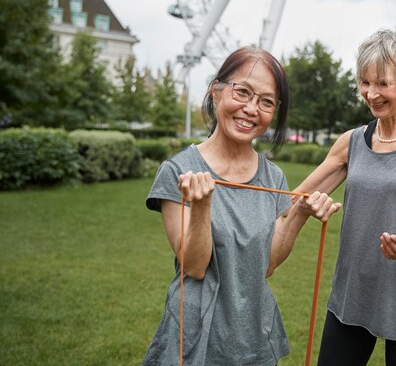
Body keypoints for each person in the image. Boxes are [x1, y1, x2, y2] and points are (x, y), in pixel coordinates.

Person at [141, 47, 341, 366]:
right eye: (243, 92)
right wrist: (202, 206)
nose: (251, 109)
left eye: (266, 101)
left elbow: (266, 265)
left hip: (252, 333)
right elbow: (194, 266)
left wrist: (301, 212)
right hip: (196, 335)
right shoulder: (179, 171)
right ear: (216, 91)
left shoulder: (272, 176)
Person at [294, 29, 396, 366]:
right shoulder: (351, 142)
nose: (371, 94)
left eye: (383, 83)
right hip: (351, 299)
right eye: (364, 82)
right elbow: (295, 198)